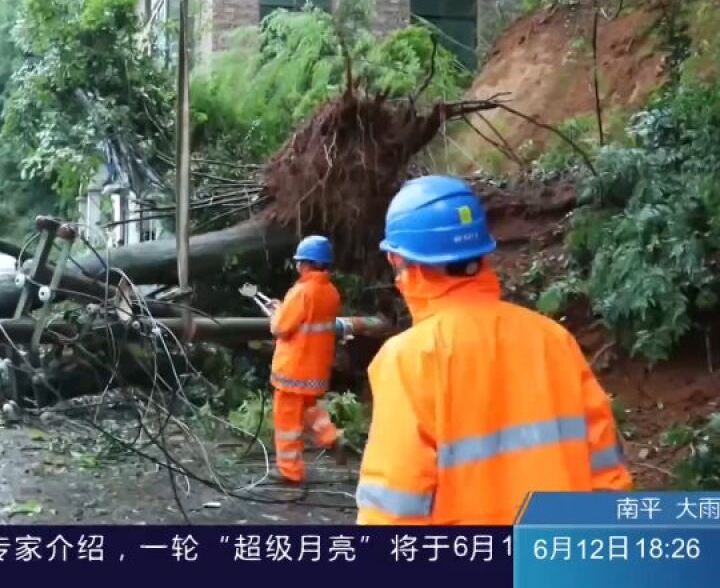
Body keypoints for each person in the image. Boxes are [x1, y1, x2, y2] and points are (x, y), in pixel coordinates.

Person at [356, 175, 632, 525]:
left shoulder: (409, 359)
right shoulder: (552, 339)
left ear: (398, 260)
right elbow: (607, 471)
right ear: (482, 253)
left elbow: (392, 509)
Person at [268, 235, 342, 483]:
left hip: (292, 372)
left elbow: (280, 328)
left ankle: (290, 472)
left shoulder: (301, 292)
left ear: (307, 264)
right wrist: (282, 307)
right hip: (315, 371)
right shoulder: (331, 292)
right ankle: (330, 436)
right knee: (311, 409)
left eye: (300, 262)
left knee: (287, 423)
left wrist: (276, 312)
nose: (298, 266)